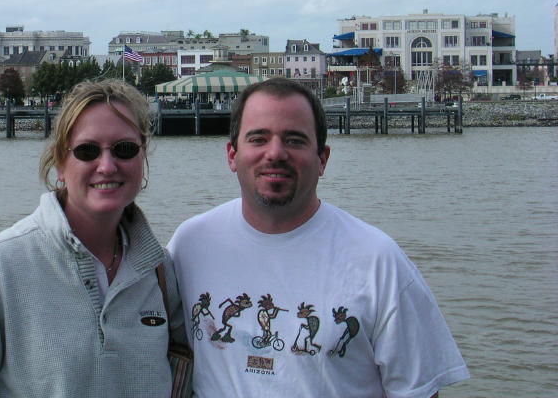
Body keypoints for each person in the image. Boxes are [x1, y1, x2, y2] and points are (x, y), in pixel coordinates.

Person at [168, 78, 469, 397]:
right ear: (232, 154)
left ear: (322, 158)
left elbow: (418, 390)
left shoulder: (379, 261)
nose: (275, 153)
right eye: (258, 138)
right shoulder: (190, 243)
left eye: (295, 140)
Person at [0, 79, 183, 397]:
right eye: (87, 151)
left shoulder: (159, 271)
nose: (107, 165)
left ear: (143, 157)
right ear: (60, 163)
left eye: (124, 149)